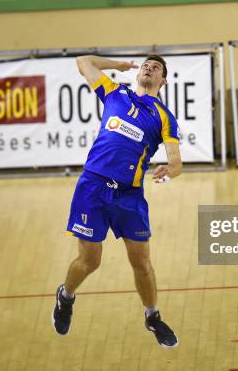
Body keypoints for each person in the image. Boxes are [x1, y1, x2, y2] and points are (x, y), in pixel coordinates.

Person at [52, 54, 182, 348]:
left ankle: (152, 317)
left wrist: (169, 171)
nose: (149, 68)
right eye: (146, 65)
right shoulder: (114, 92)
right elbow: (84, 61)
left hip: (129, 196)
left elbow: (177, 163)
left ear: (163, 80)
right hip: (93, 187)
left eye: (156, 67)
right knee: (89, 262)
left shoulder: (164, 117)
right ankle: (66, 297)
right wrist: (117, 66)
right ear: (139, 73)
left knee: (142, 263)